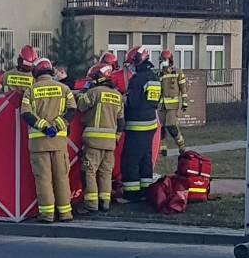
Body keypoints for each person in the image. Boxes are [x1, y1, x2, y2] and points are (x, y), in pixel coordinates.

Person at [21, 57, 77, 223]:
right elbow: (72, 110)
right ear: (51, 71)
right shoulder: (64, 88)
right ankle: (66, 213)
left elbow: (26, 114)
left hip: (38, 143)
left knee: (43, 179)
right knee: (61, 178)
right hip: (59, 142)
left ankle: (47, 214)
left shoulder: (30, 90)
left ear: (36, 72)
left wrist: (44, 126)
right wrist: (57, 126)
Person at [77, 63, 125, 214]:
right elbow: (121, 121)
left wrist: (84, 90)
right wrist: (116, 137)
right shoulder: (117, 95)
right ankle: (105, 202)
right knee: (105, 172)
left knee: (89, 171)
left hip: (93, 141)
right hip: (110, 142)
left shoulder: (94, 92)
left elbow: (80, 106)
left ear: (98, 78)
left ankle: (91, 204)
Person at [120, 48, 160, 202]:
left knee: (130, 159)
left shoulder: (137, 79)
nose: (130, 67)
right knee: (145, 158)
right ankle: (146, 189)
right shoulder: (153, 77)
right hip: (150, 124)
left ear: (137, 61)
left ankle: (131, 193)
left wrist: (122, 98)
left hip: (136, 125)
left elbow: (132, 102)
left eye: (131, 63)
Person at [158, 50, 188, 155]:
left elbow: (183, 88)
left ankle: (181, 146)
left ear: (170, 60)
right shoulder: (160, 73)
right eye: (162, 60)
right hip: (161, 105)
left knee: (171, 126)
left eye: (165, 60)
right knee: (161, 127)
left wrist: (185, 102)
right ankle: (163, 149)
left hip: (173, 104)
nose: (163, 62)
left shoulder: (178, 72)